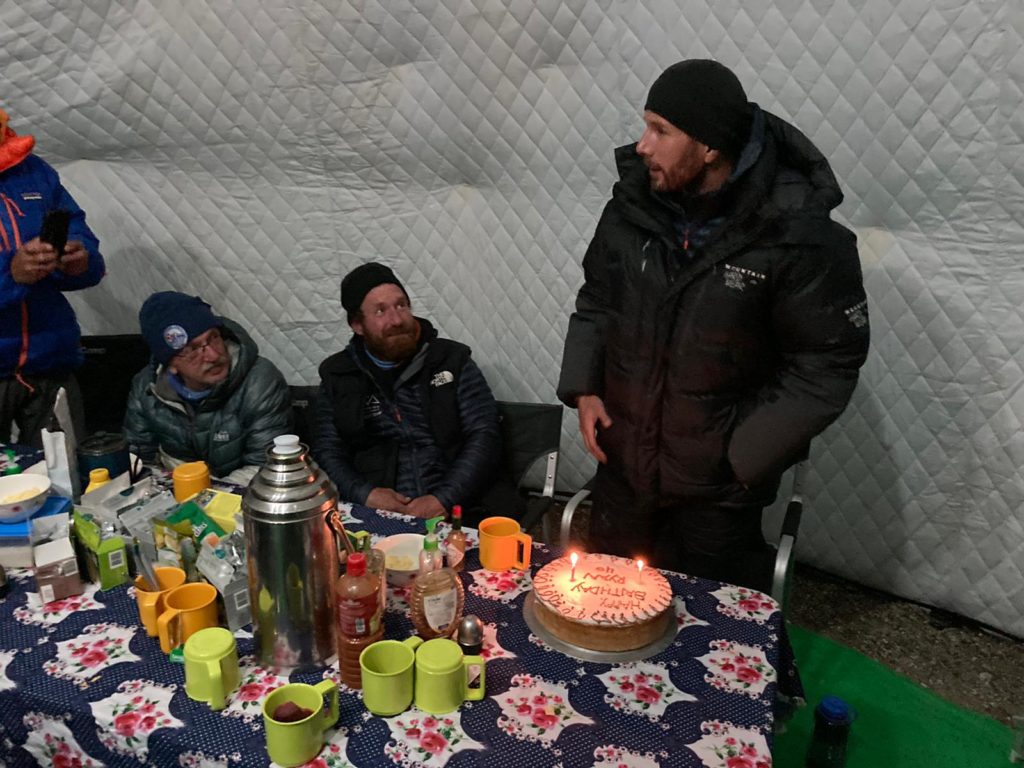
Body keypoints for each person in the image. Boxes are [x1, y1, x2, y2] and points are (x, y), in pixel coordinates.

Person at [557, 59, 870, 592]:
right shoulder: (631, 207)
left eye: (661, 130)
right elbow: (598, 298)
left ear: (709, 147)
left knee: (704, 633)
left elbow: (828, 359)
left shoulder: (794, 232)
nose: (641, 146)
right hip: (623, 475)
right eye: (645, 125)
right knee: (610, 616)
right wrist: (584, 387)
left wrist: (741, 454)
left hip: (716, 500)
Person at [314, 262, 502, 522]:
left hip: (461, 506)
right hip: (374, 512)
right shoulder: (339, 375)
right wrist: (365, 494)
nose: (397, 320)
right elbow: (327, 451)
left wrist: (443, 498)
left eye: (401, 305)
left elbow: (484, 434)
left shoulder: (451, 361)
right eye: (380, 311)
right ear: (358, 325)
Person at [0, 108, 105, 447]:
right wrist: (9, 273)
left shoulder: (33, 169)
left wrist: (79, 259)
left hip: (51, 358)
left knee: (65, 480)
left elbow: (76, 227)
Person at [124, 291, 291, 483]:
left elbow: (266, 465)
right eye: (193, 350)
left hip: (242, 497)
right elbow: (138, 460)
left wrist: (207, 501)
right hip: (172, 496)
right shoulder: (147, 388)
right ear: (171, 363)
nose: (212, 355)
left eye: (213, 338)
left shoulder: (260, 380)